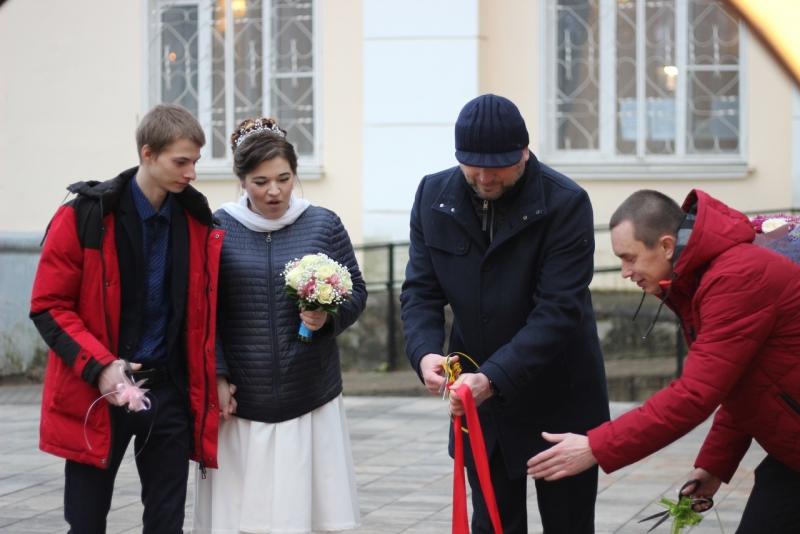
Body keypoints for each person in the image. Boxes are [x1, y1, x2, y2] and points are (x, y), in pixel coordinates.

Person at [527, 189, 800, 533]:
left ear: (668, 247)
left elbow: (694, 395)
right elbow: (744, 385)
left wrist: (595, 446)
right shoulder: (705, 278)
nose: (626, 272)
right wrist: (714, 467)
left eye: (630, 257)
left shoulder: (736, 278)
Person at [400, 93, 610, 533]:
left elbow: (557, 312)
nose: (483, 176)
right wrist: (424, 355)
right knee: (495, 525)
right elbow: (420, 291)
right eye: (471, 164)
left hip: (561, 401)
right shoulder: (432, 195)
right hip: (483, 410)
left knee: (568, 525)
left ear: (524, 152)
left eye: (496, 165)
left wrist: (492, 379)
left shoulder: (565, 203)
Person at [29, 104, 223, 533]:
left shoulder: (196, 221)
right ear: (148, 153)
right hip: (95, 394)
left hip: (166, 391)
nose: (191, 173)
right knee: (85, 522)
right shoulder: (84, 215)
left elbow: (204, 312)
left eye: (195, 162)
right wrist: (101, 367)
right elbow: (49, 305)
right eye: (181, 161)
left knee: (167, 522)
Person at [193, 117, 367, 534]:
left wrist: (327, 318)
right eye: (260, 181)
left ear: (295, 174)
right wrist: (216, 375)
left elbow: (357, 291)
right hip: (242, 401)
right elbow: (203, 310)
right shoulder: (218, 228)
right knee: (242, 516)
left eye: (284, 178)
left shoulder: (323, 224)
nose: (274, 191)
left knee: (308, 513)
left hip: (309, 393)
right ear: (241, 180)